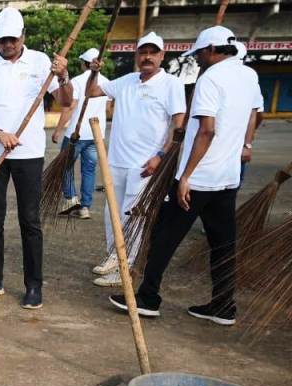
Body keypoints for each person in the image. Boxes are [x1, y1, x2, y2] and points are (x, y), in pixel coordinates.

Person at [110, 25, 259, 326]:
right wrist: (245, 145)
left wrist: (186, 176)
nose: (198, 59)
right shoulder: (248, 75)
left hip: (199, 177)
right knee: (223, 244)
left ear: (211, 50)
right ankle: (223, 305)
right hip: (227, 176)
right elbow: (254, 114)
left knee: (163, 237)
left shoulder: (211, 79)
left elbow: (206, 130)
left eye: (200, 53)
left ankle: (148, 298)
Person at [0, 7, 72, 310]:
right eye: (2, 40)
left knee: (30, 220)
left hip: (29, 153)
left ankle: (34, 285)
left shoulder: (41, 62)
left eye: (13, 39)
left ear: (23, 36)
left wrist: (63, 75)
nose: (8, 45)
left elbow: (66, 101)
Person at [83, 32, 186, 287]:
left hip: (146, 164)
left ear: (162, 55)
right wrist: (94, 72)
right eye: (143, 52)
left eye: (153, 52)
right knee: (112, 212)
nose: (147, 57)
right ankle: (114, 256)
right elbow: (92, 91)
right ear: (137, 55)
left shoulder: (171, 84)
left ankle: (127, 266)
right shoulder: (127, 81)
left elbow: (179, 124)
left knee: (134, 216)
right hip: (117, 160)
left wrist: (161, 156)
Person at [52, 48, 109, 220]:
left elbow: (70, 107)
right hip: (96, 134)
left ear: (84, 64)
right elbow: (108, 108)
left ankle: (71, 199)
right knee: (89, 170)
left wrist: (58, 129)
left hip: (75, 134)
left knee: (65, 167)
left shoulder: (77, 81)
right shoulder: (106, 82)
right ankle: (85, 207)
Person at [234, 41, 265, 185]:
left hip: (234, 145)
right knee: (234, 182)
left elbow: (256, 114)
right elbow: (258, 115)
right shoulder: (250, 78)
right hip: (237, 144)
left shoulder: (249, 78)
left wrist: (247, 143)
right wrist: (247, 141)